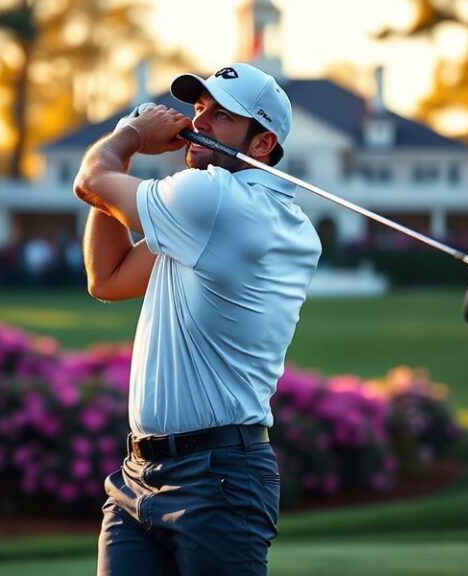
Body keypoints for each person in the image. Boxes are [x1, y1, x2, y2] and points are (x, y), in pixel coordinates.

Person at [73, 63, 321, 576]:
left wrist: (132, 134)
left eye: (222, 116)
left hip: (216, 478)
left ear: (261, 142)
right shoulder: (229, 212)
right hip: (140, 475)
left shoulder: (215, 202)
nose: (199, 121)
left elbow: (91, 180)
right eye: (200, 108)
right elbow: (108, 278)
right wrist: (117, 180)